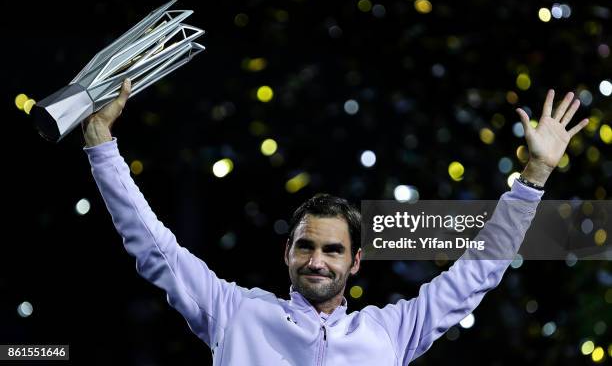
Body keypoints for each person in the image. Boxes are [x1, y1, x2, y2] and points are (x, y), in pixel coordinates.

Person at [82, 78, 588, 365]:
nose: (316, 261)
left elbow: (479, 270)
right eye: (306, 247)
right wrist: (101, 144)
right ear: (288, 254)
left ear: (356, 262)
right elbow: (155, 248)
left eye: (332, 250)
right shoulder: (234, 313)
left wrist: (535, 173)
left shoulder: (391, 331)